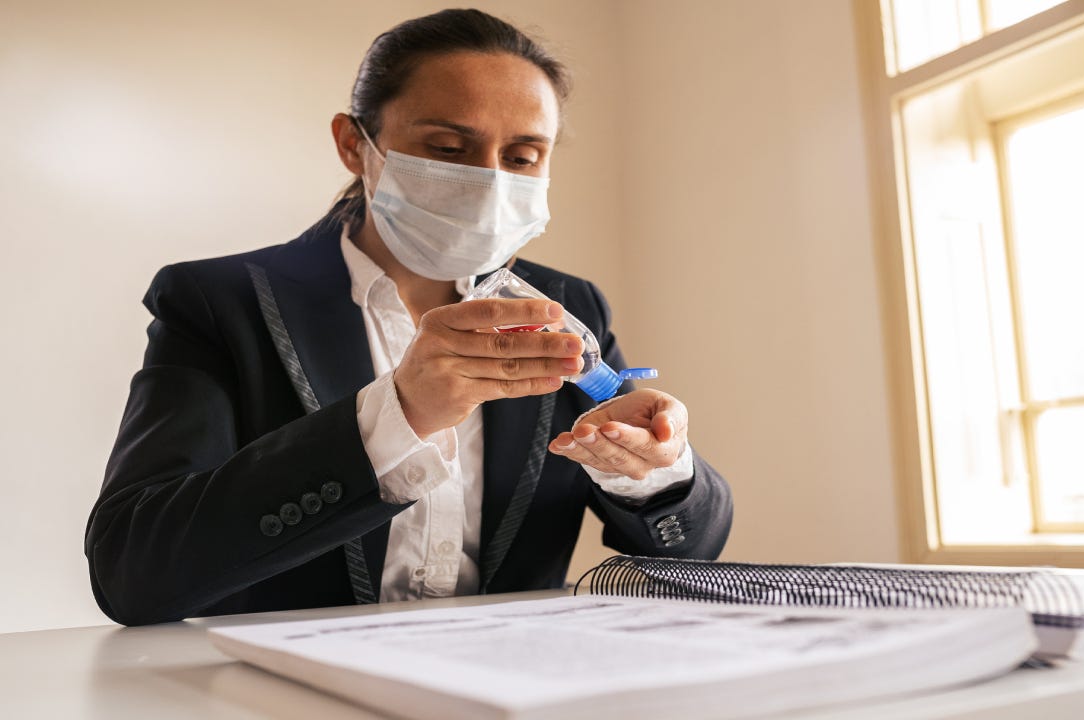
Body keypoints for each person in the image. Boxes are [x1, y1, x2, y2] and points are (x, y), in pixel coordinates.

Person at [85, 9, 732, 627]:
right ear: (353, 144)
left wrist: (654, 467)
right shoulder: (220, 303)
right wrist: (397, 416)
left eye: (523, 157)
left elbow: (690, 553)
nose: (489, 183)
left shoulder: (569, 307)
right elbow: (132, 572)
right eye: (448, 147)